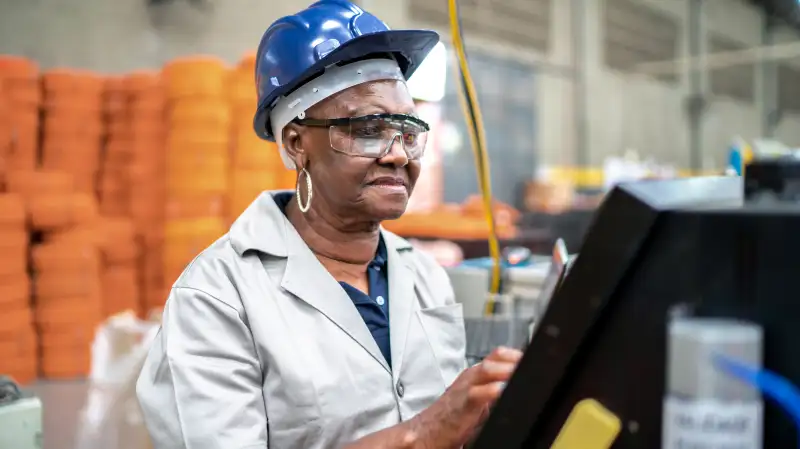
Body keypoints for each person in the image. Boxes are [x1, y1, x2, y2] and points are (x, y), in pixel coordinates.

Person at [136, 1, 523, 448]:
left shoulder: (423, 276)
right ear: (297, 143)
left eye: (409, 131)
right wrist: (422, 433)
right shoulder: (217, 298)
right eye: (368, 129)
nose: (398, 154)